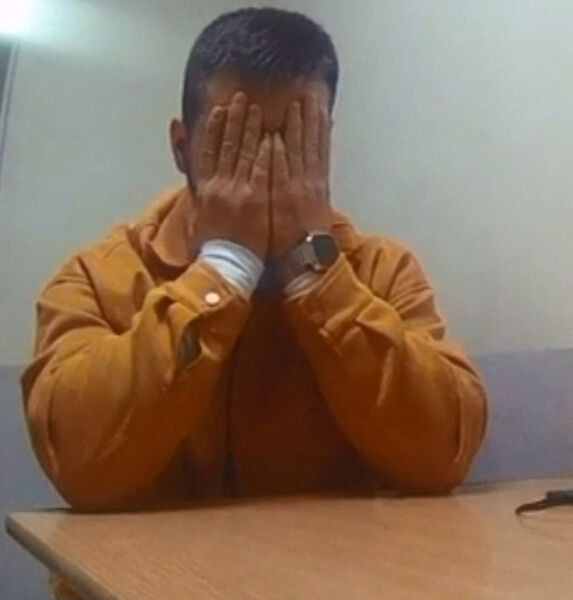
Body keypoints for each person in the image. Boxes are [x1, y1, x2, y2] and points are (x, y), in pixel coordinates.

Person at [22, 8, 488, 518]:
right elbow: (81, 466)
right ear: (181, 147)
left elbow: (441, 456)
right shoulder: (95, 278)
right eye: (233, 141)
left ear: (323, 146)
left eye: (292, 140)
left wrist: (316, 273)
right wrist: (222, 269)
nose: (263, 168)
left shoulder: (381, 271)